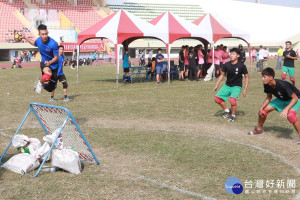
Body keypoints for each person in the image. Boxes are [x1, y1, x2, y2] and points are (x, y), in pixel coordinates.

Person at [248, 68, 300, 144]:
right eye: (262, 76)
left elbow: (295, 98)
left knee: (291, 115)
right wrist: (261, 108)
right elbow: (269, 97)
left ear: (271, 78)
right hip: (281, 99)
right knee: (263, 111)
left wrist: (286, 109)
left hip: (295, 98)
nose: (262, 79)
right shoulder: (266, 85)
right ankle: (259, 130)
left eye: (264, 77)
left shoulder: (283, 85)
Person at [213, 48, 249, 122]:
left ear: (238, 55)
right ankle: (227, 110)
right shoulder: (226, 64)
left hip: (237, 86)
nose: (231, 56)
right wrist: (216, 85)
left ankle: (233, 116)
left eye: (233, 54)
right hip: (227, 85)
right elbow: (222, 75)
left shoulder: (241, 65)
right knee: (217, 99)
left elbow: (246, 77)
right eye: (231, 54)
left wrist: (245, 89)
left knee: (232, 100)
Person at [21, 24, 59, 94]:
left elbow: (56, 57)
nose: (45, 36)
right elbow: (33, 43)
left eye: (46, 34)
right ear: (39, 34)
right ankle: (40, 83)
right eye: (43, 34)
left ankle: (41, 82)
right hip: (44, 62)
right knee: (48, 74)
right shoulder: (38, 41)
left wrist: (50, 62)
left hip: (54, 64)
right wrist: (25, 38)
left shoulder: (53, 44)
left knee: (51, 88)